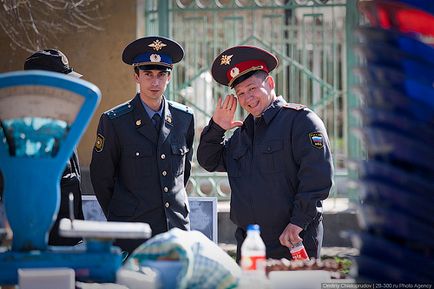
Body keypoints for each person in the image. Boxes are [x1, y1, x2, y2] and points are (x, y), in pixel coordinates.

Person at [197, 46, 334, 261]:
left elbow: (317, 179)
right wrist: (217, 128)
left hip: (292, 240)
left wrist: (297, 222)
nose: (247, 98)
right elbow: (209, 160)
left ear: (270, 83)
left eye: (252, 88)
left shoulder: (300, 121)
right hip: (250, 244)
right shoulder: (242, 133)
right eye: (240, 93)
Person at [90, 36, 195, 254]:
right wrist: (122, 215)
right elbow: (102, 177)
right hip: (132, 232)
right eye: (148, 74)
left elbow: (183, 173)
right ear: (136, 76)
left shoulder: (184, 118)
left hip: (174, 229)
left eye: (161, 74)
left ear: (169, 77)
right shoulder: (115, 121)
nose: (155, 82)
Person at [24, 49, 84, 246]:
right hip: (39, 239)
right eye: (63, 84)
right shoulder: (22, 129)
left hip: (67, 236)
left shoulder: (62, 120)